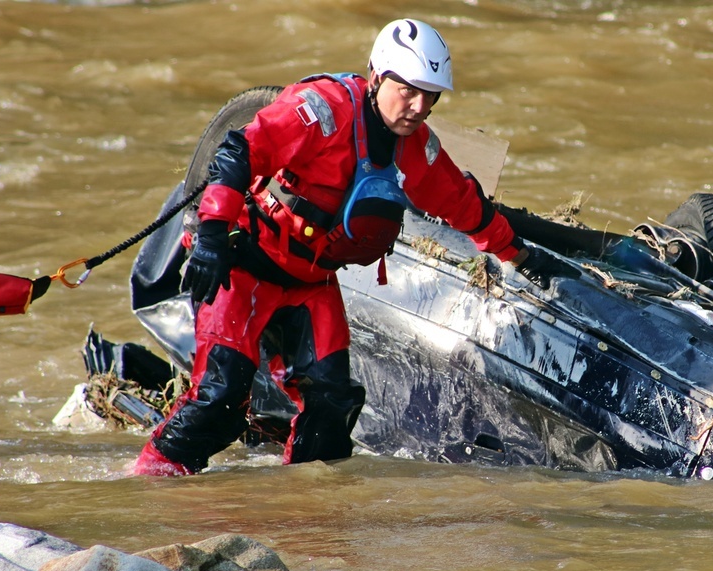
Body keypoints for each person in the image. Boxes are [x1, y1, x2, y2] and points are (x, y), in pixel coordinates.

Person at [132, 18, 572, 476]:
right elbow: (240, 152)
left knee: (332, 408)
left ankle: (306, 513)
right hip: (245, 264)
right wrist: (210, 238)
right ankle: (149, 483)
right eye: (409, 90)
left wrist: (518, 255)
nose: (420, 107)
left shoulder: (417, 149)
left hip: (311, 283)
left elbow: (464, 206)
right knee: (219, 397)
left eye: (432, 96)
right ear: (378, 77)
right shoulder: (320, 110)